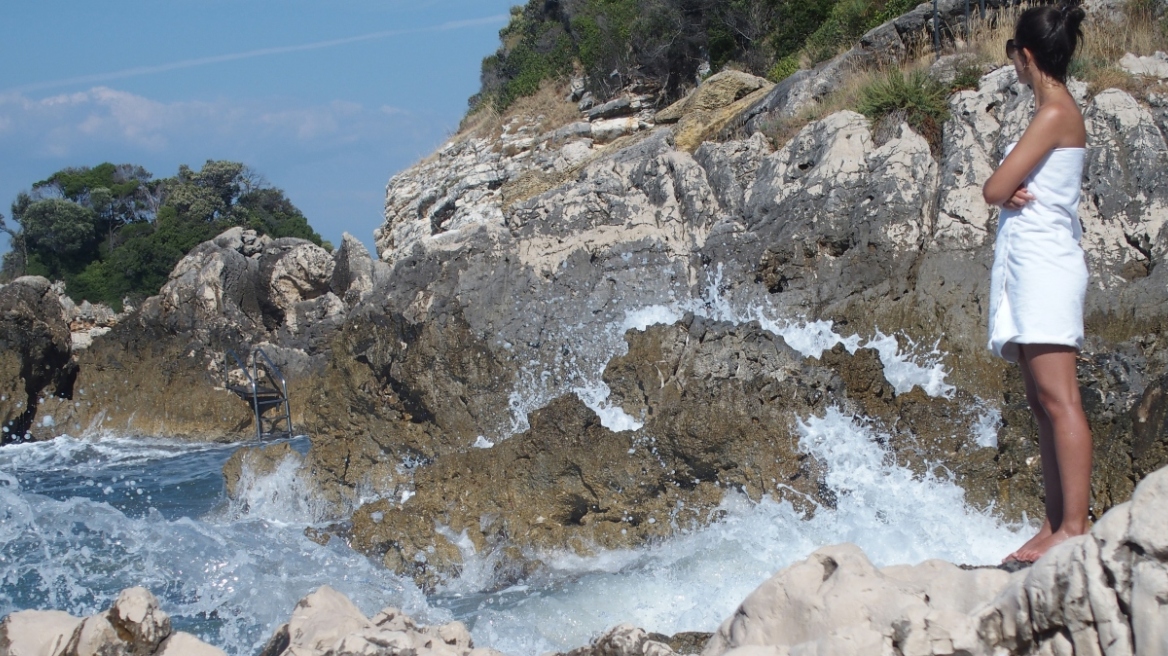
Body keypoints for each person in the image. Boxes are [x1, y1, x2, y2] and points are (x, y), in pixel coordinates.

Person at [982, 2, 1091, 563]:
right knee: (1040, 397)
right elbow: (1009, 186)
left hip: (1047, 266)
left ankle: (1073, 527)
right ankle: (1054, 523)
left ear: (1025, 57)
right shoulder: (1050, 113)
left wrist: (1009, 183)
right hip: (1032, 265)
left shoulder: (1053, 113)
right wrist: (1013, 183)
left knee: (1060, 398)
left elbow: (994, 188)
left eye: (1013, 57)